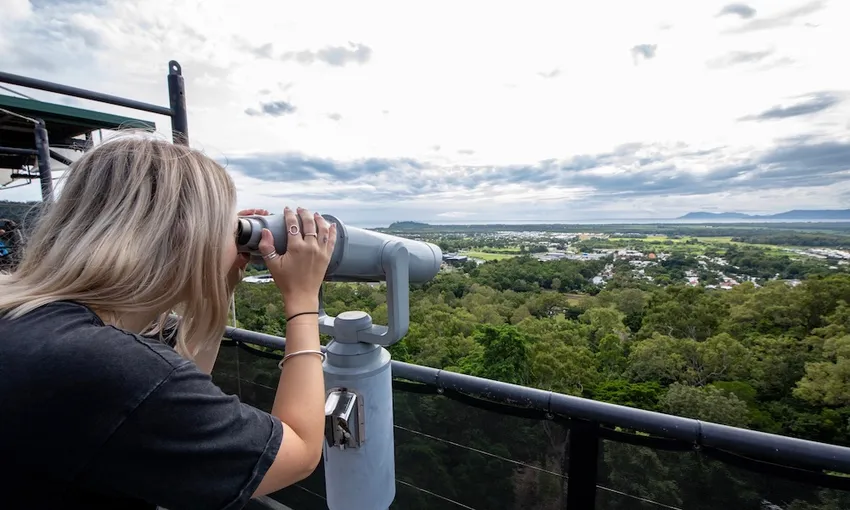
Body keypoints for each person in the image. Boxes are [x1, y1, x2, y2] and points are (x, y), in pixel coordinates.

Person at [0, 134, 337, 510]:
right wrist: (304, 301)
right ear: (187, 237)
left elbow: (169, 387)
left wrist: (216, 288)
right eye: (230, 228)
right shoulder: (102, 363)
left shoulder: (30, 321)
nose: (237, 239)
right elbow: (299, 451)